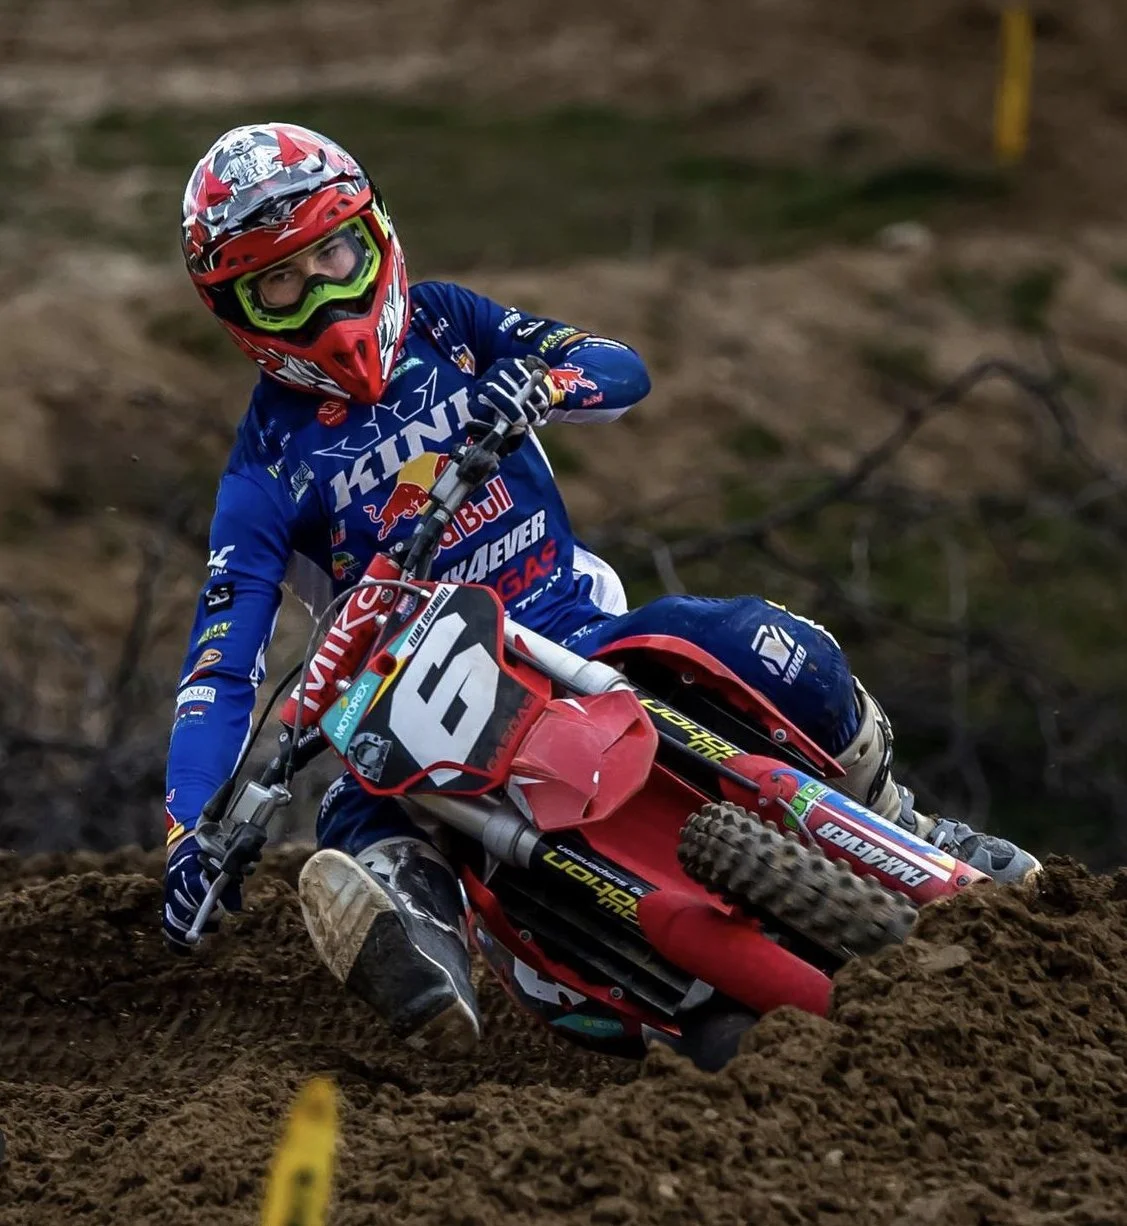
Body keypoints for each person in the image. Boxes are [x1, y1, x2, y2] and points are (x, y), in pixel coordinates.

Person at [163, 122, 1039, 1056]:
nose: (325, 297)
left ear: (374, 235)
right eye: (283, 283)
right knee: (357, 833)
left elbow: (623, 367)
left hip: (576, 631)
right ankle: (431, 978)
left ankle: (902, 821)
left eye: (333, 255)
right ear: (239, 309)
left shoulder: (448, 324)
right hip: (413, 714)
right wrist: (190, 831)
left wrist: (541, 381)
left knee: (745, 639)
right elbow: (219, 670)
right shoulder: (263, 476)